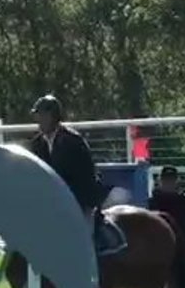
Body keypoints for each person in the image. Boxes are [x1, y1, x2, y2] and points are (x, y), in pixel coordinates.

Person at [28, 94, 122, 253]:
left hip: (81, 199)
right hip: (54, 201)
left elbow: (82, 177)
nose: (39, 121)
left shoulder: (72, 141)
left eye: (43, 116)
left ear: (54, 117)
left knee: (82, 237)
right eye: (38, 116)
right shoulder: (37, 143)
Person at [148, 166, 185, 272]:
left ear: (177, 180)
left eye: (171, 180)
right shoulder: (151, 204)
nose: (168, 183)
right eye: (166, 180)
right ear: (160, 181)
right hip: (159, 251)